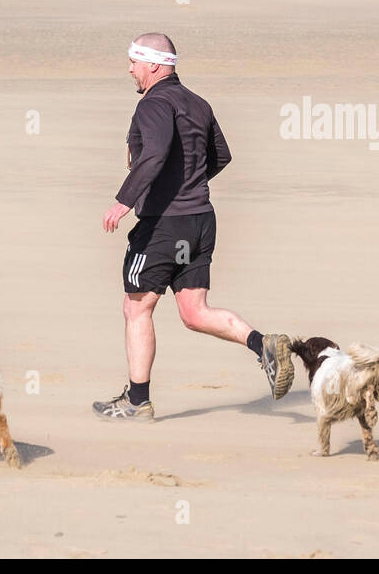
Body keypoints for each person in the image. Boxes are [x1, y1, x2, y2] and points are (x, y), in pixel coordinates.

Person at [94, 33, 293, 421]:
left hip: (163, 227)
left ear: (153, 64)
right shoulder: (197, 103)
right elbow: (221, 155)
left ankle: (137, 401)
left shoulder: (153, 104)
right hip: (200, 220)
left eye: (133, 61)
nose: (129, 69)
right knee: (194, 311)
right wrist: (187, 186)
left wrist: (125, 199)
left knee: (136, 307)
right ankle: (262, 343)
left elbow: (154, 153)